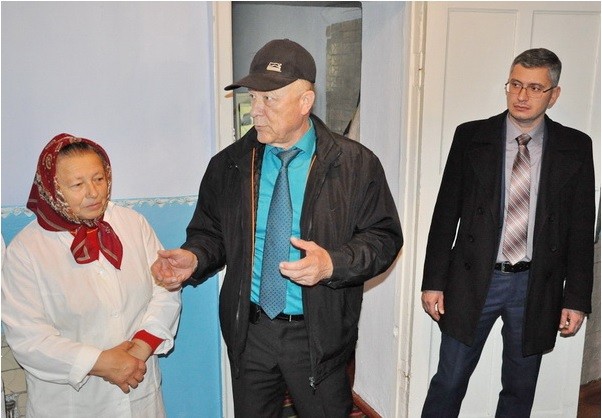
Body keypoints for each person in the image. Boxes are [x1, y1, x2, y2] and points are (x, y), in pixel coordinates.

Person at [152, 38, 403, 417]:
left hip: (318, 336)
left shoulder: (354, 164)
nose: (256, 111)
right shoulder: (229, 165)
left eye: (270, 99)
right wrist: (195, 257)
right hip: (251, 331)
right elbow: (211, 233)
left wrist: (332, 264)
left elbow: (383, 238)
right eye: (253, 98)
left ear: (305, 102)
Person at [420, 48, 595, 417]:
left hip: (536, 285)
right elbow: (445, 213)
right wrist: (433, 280)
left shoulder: (576, 146)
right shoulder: (471, 136)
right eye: (515, 84)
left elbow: (581, 230)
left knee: (519, 389)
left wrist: (577, 298)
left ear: (554, 95)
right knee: (449, 380)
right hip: (473, 279)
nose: (521, 96)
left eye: (534, 87)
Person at [1, 133, 181, 417]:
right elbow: (28, 338)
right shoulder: (27, 250)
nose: (93, 192)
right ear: (52, 188)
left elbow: (165, 289)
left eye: (99, 179)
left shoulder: (133, 224)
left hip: (139, 389)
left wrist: (141, 346)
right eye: (77, 184)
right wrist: (102, 362)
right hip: (70, 402)